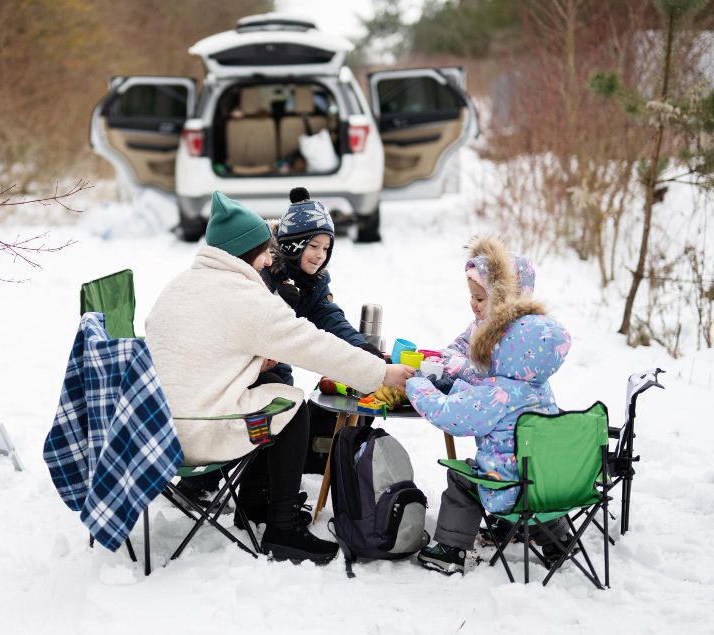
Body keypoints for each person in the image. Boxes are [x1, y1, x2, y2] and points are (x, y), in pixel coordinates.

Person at [145, 191, 413, 564]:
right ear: (244, 252)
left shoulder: (180, 286)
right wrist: (381, 372)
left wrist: (251, 363)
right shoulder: (248, 298)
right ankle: (282, 528)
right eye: (263, 251)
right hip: (200, 431)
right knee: (292, 404)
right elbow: (313, 345)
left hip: (154, 432)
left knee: (267, 391)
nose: (270, 258)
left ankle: (254, 501)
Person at [406, 283, 573, 575]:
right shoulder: (541, 389)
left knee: (463, 477)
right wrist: (461, 387)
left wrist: (417, 385)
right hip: (552, 488)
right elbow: (487, 405)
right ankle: (556, 541)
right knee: (533, 477)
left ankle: (450, 550)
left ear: (507, 348)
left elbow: (450, 416)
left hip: (507, 492)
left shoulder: (498, 392)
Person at [260, 187, 384, 387]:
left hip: (276, 359)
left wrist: (361, 348)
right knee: (283, 395)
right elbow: (253, 320)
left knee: (290, 396)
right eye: (314, 246)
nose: (321, 255)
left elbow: (329, 318)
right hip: (248, 362)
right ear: (294, 244)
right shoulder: (263, 268)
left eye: (326, 248)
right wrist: (277, 300)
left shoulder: (314, 282)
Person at [438, 236, 537, 389]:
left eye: (479, 298)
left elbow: (487, 377)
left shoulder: (515, 336)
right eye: (472, 296)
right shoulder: (480, 324)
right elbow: (460, 346)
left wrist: (456, 365)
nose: (472, 303)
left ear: (501, 299)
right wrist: (440, 357)